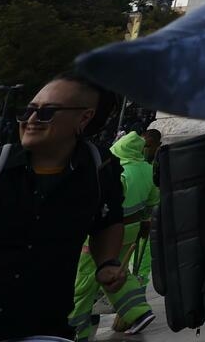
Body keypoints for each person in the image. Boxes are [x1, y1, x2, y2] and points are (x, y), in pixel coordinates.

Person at [0, 73, 128, 342]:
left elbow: (107, 220)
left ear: (84, 118)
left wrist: (107, 262)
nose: (31, 120)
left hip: (43, 328)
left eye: (47, 112)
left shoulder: (99, 169)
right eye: (28, 111)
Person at [68, 126, 159, 341]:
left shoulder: (118, 171)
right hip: (132, 230)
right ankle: (138, 311)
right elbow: (154, 201)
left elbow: (105, 202)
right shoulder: (147, 169)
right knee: (116, 271)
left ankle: (77, 329)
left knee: (85, 280)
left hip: (106, 232)